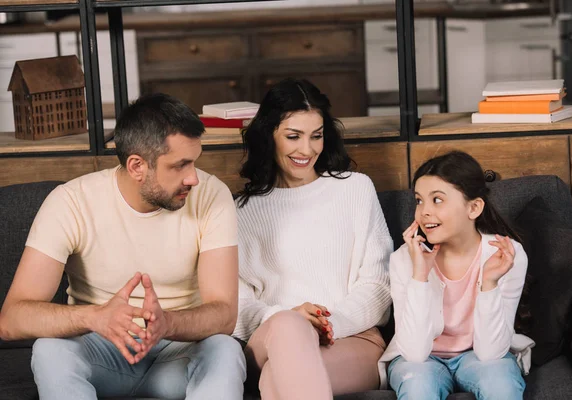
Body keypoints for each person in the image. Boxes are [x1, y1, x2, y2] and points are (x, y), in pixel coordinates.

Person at [0, 93, 246, 400]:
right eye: (181, 165)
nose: (194, 178)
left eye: (195, 162)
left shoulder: (212, 196)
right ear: (137, 166)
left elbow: (224, 315)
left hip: (177, 357)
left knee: (224, 348)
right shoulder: (71, 202)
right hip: (101, 352)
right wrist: (94, 317)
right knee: (50, 349)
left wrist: (166, 323)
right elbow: (12, 320)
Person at [233, 78, 393, 400]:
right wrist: (291, 318)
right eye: (293, 136)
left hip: (352, 339)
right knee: (290, 328)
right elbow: (237, 307)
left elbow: (378, 285)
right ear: (269, 136)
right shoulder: (240, 212)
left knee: (279, 378)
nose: (307, 150)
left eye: (316, 136)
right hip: (270, 338)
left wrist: (328, 324)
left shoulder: (355, 190)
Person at [379, 150, 531, 400]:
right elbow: (415, 354)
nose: (424, 211)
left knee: (501, 384)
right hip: (420, 360)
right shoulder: (404, 259)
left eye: (437, 200)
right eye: (419, 200)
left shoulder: (507, 254)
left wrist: (490, 283)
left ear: (474, 207)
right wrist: (420, 275)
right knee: (417, 386)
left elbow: (490, 353)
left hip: (479, 356)